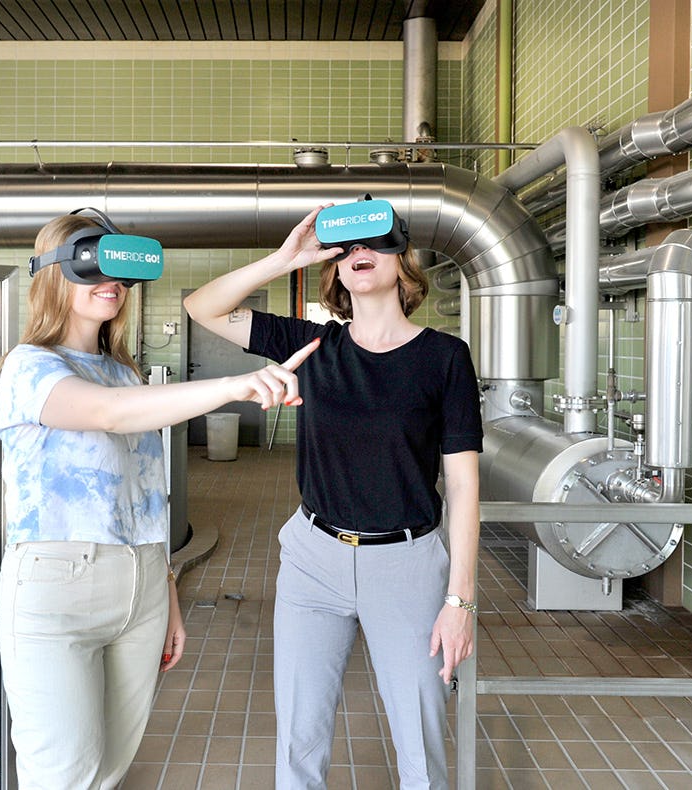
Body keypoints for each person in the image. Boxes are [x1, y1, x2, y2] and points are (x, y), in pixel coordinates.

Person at [0, 211, 318, 789]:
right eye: (94, 265)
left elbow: (146, 493)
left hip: (141, 579)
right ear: (53, 273)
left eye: (120, 271)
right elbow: (107, 415)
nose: (112, 283)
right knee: (62, 774)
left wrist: (165, 591)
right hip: (56, 584)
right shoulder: (28, 366)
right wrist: (237, 385)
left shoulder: (123, 372)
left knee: (111, 767)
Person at [184, 200, 483, 790]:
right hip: (312, 558)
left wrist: (460, 601)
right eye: (346, 248)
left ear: (403, 260)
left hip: (406, 563)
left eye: (374, 242)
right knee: (299, 735)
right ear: (335, 270)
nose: (359, 254)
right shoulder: (312, 343)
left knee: (420, 739)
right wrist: (283, 260)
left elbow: (464, 485)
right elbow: (202, 307)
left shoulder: (444, 357)